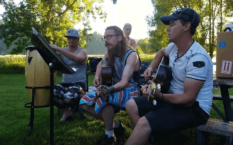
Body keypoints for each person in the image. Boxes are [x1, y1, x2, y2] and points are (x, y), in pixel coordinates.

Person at [125, 8, 213, 145]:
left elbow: (188, 99)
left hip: (195, 108)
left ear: (186, 26)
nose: (167, 29)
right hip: (172, 97)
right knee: (130, 104)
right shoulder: (173, 47)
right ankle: (147, 139)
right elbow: (161, 52)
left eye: (172, 24)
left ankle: (145, 134)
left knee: (144, 123)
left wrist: (158, 95)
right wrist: (151, 68)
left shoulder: (197, 58)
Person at [79, 26, 141, 145]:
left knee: (104, 98)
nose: (106, 40)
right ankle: (116, 125)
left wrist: (107, 90)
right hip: (115, 89)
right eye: (105, 37)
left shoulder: (131, 55)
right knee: (84, 101)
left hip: (130, 90)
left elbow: (124, 82)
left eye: (109, 37)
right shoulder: (109, 52)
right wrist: (97, 76)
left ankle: (109, 136)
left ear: (119, 38)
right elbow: (100, 63)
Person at [49, 29, 88, 122]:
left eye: (74, 38)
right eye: (69, 38)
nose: (71, 40)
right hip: (65, 83)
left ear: (78, 40)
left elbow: (78, 58)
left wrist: (59, 49)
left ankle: (78, 106)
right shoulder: (63, 51)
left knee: (68, 99)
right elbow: (52, 56)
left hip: (79, 84)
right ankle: (66, 112)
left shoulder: (82, 51)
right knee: (50, 95)